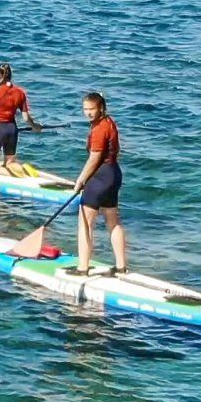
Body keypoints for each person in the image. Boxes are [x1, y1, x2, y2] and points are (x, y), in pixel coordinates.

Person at [69, 92, 126, 275]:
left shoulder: (100, 128)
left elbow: (95, 157)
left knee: (85, 223)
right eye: (85, 109)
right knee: (112, 221)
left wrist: (81, 180)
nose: (88, 113)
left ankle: (82, 268)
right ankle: (121, 266)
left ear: (100, 108)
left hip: (100, 177)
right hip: (114, 175)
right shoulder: (109, 122)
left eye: (91, 109)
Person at [0, 64, 40, 175]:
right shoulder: (20, 93)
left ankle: (11, 174)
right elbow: (26, 117)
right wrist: (35, 126)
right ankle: (23, 170)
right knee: (10, 162)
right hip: (12, 130)